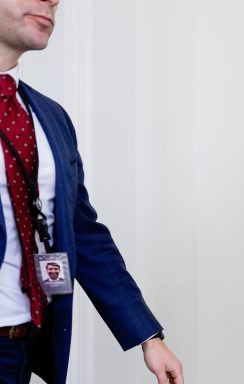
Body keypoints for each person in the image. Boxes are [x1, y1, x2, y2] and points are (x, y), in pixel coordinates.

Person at [0, 1, 183, 383]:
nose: (53, 0)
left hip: (22, 348)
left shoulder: (52, 118)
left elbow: (83, 232)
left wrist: (148, 335)